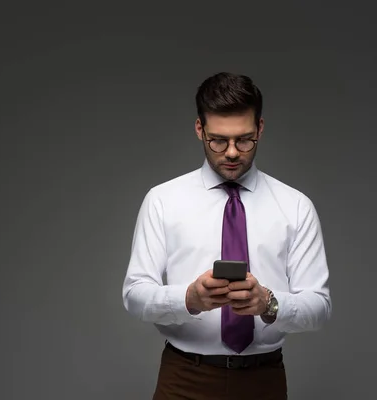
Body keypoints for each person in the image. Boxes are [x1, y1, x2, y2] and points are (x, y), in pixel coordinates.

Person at [121, 72, 332, 400]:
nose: (232, 152)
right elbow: (134, 295)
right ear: (199, 130)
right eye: (218, 140)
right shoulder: (162, 200)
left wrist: (269, 303)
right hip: (185, 379)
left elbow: (319, 306)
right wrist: (189, 299)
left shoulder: (296, 206)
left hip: (264, 379)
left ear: (260, 128)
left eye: (244, 139)